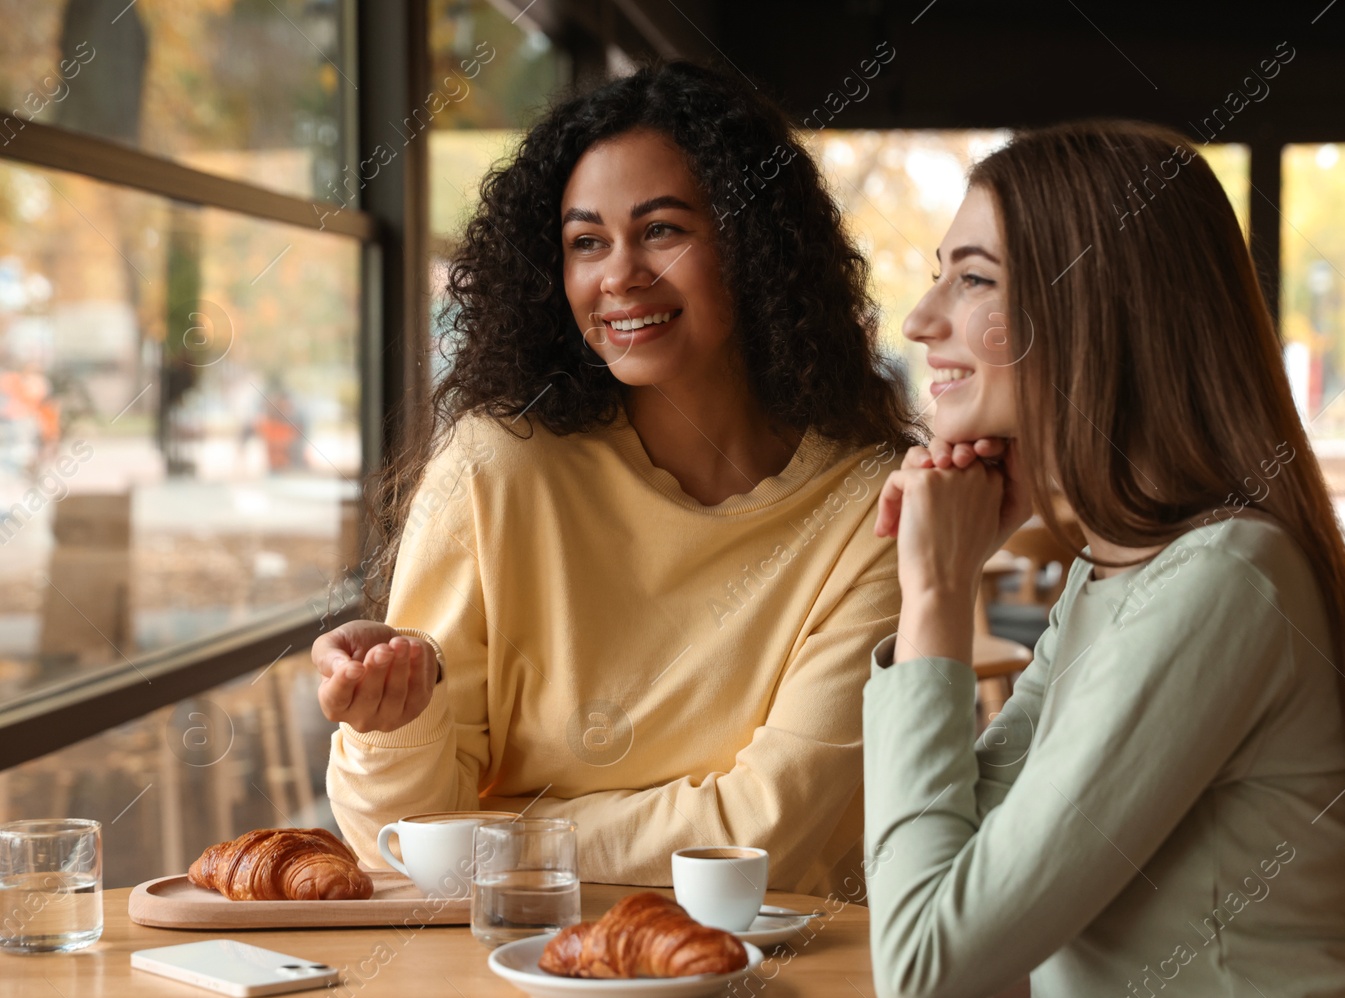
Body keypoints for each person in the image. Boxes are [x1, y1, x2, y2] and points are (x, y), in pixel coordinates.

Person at [862, 120, 1345, 998]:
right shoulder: (1120, 572)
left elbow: (925, 955)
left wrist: (935, 593)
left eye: (973, 278)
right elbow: (955, 851)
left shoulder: (1222, 581)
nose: (920, 316)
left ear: (1095, 308)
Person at [316, 62, 915, 897]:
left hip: (771, 986)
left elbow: (770, 832)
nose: (619, 275)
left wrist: (498, 839)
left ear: (754, 242)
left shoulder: (870, 509)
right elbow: (400, 843)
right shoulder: (497, 470)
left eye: (663, 230)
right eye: (586, 242)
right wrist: (393, 720)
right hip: (508, 974)